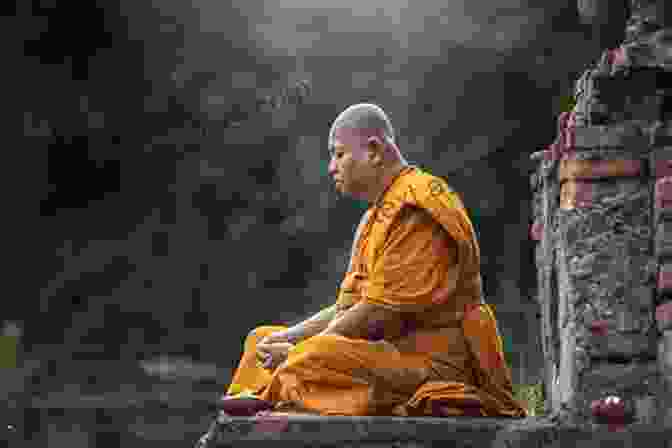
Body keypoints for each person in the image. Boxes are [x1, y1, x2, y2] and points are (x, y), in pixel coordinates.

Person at [220, 103, 527, 418]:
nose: (331, 167)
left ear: (374, 150)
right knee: (261, 339)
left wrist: (298, 351)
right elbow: (347, 308)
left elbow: (377, 314)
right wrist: (289, 338)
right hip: (384, 353)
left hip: (432, 364)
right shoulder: (375, 216)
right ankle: (271, 392)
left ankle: (271, 394)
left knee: (317, 354)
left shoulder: (416, 206)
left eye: (338, 154)